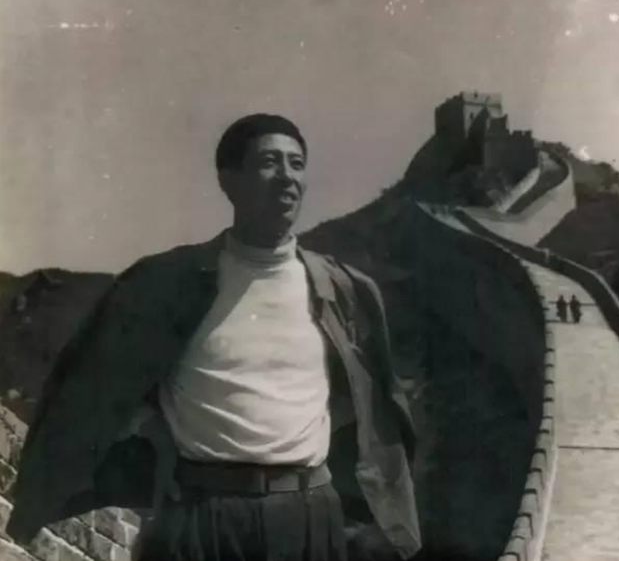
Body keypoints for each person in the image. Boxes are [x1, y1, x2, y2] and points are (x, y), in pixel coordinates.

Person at [6, 114, 421, 561]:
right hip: (199, 512)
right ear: (229, 180)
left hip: (306, 516)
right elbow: (94, 381)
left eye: (296, 164)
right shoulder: (166, 282)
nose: (287, 177)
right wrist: (151, 428)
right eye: (269, 162)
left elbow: (371, 398)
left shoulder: (344, 290)